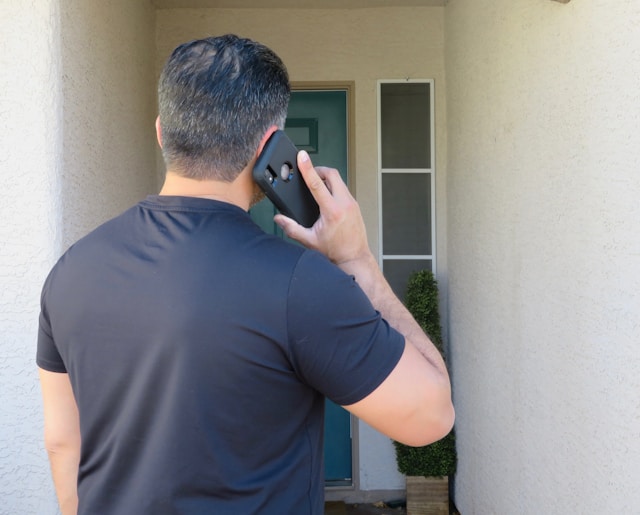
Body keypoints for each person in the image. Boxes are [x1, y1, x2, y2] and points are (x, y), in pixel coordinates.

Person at [37, 34, 454, 515]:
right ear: (269, 146)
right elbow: (432, 416)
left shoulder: (70, 271)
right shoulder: (300, 284)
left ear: (161, 132)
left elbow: (63, 444)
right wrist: (356, 260)